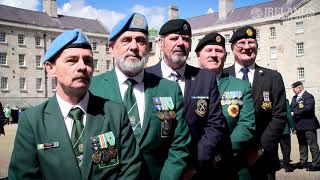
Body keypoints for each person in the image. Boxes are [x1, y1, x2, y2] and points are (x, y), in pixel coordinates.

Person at [9, 29, 141, 180]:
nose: (82, 67)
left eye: (88, 61)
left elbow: (131, 168)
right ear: (50, 68)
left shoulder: (115, 113)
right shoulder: (32, 120)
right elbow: (23, 175)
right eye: (72, 60)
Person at [89, 13, 191, 180]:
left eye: (141, 41)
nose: (134, 46)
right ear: (111, 48)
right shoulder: (93, 88)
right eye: (126, 40)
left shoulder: (168, 89)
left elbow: (179, 143)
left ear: (149, 49)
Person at [146, 19, 232, 179]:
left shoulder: (205, 78)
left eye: (185, 39)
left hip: (194, 170)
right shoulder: (146, 78)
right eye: (174, 38)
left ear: (191, 45)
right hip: (155, 170)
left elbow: (214, 124)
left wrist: (194, 164)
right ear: (160, 43)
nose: (180, 43)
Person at [224, 25, 287, 180]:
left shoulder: (273, 77)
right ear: (233, 48)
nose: (247, 47)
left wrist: (260, 150)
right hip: (228, 157)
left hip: (263, 157)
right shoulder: (222, 76)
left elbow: (279, 116)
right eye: (242, 43)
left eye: (251, 42)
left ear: (257, 47)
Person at [195, 32, 255, 180]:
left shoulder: (241, 86)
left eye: (219, 51)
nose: (214, 55)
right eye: (209, 50)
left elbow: (246, 125)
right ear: (198, 55)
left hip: (232, 166)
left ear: (226, 56)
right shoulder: (187, 83)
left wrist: (220, 154)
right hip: (195, 165)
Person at [290, 81, 320, 171]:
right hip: (299, 126)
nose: (293, 90)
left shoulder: (308, 96)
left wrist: (294, 113)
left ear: (300, 87)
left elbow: (308, 108)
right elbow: (291, 107)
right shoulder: (294, 98)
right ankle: (303, 162)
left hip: (308, 125)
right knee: (302, 144)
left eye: (294, 88)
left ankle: (317, 164)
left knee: (312, 145)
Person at [279, 99, 296, 172]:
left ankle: (275, 164)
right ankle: (287, 165)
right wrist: (293, 127)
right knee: (286, 147)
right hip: (284, 129)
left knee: (274, 147)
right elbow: (288, 115)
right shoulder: (284, 101)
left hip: (274, 129)